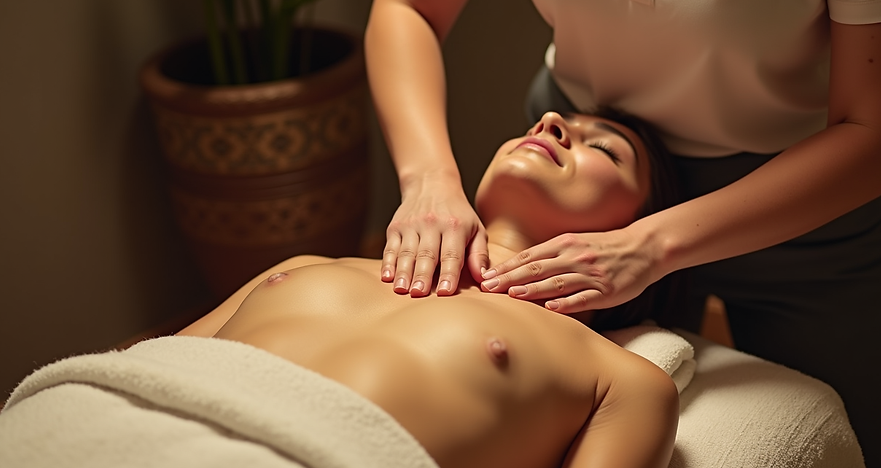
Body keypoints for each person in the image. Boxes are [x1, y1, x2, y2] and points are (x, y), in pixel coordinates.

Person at [363, 0, 881, 466]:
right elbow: (407, 1)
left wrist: (649, 245)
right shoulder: (342, 271)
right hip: (594, 150)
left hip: (798, 194)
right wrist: (429, 180)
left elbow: (879, 130)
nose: (546, 127)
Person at [177, 111, 681, 468]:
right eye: (545, 121)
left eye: (603, 148)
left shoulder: (622, 382)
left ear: (641, 226)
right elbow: (138, 364)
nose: (550, 121)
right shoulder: (304, 264)